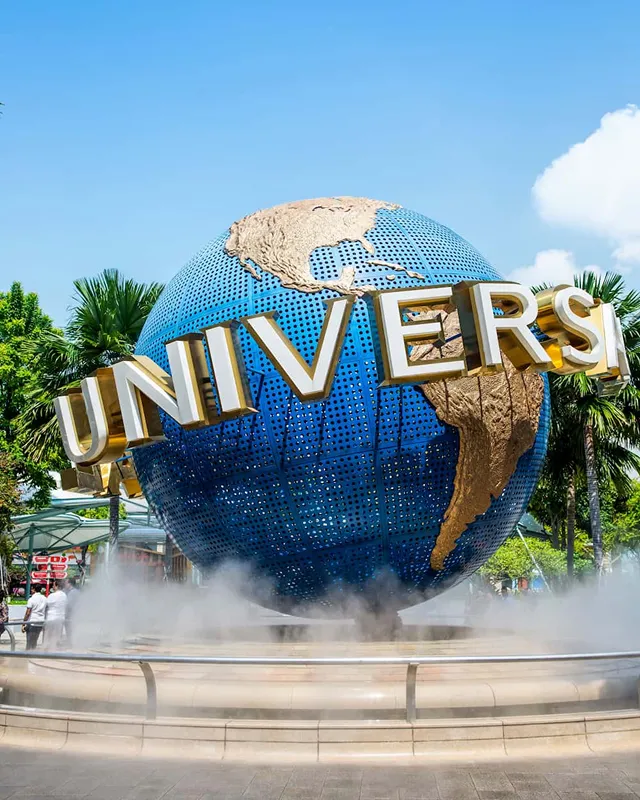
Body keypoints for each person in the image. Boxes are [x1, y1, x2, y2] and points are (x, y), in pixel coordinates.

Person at [45, 580, 67, 650]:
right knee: (57, 635)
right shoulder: (64, 595)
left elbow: (46, 605)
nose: (52, 586)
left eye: (54, 585)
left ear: (57, 586)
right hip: (60, 618)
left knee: (49, 636)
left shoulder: (52, 595)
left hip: (51, 618)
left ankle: (50, 649)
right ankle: (56, 649)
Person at [23, 585, 46, 650]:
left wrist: (23, 622)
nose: (31, 590)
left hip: (32, 622)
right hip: (40, 622)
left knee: (29, 642)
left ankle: (27, 655)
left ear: (33, 589)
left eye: (31, 589)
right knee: (35, 640)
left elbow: (28, 613)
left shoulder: (31, 599)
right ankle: (33, 654)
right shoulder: (44, 598)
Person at [64, 578, 80, 647]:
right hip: (76, 614)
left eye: (66, 583)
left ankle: (70, 644)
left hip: (70, 615)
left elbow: (68, 605)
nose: (65, 584)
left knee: (69, 631)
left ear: (70, 584)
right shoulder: (78, 591)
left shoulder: (71, 593)